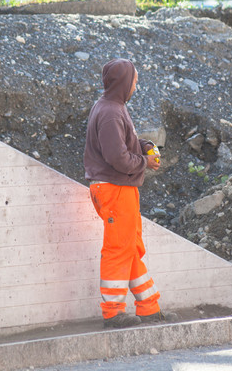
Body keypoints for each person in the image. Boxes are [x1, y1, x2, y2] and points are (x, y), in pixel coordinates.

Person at [83, 58, 178, 328]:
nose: (136, 84)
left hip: (120, 189)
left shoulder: (113, 107)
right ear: (125, 82)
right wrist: (144, 163)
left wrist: (145, 146)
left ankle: (149, 307)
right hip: (115, 188)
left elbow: (126, 144)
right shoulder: (112, 112)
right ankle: (112, 312)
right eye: (134, 80)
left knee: (131, 248)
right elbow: (118, 158)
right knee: (118, 248)